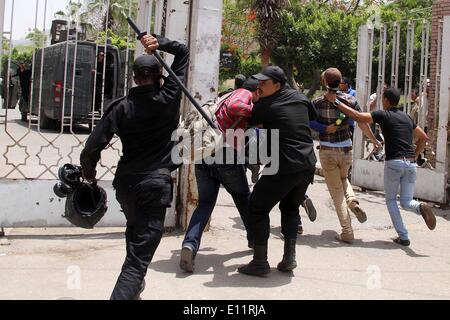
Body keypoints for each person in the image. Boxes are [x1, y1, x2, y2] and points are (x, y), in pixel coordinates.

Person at [80, 34, 189, 299]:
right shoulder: (170, 96)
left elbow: (91, 148)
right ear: (159, 75)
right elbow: (183, 52)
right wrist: (159, 43)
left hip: (127, 186)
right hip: (154, 186)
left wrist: (90, 176)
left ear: (134, 77)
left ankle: (135, 291)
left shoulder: (121, 108)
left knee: (135, 235)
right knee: (138, 259)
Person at [237, 66, 317, 276]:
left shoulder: (265, 105)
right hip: (307, 163)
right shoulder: (300, 98)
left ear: (278, 85)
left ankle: (260, 262)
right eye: (258, 83)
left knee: (257, 207)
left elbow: (249, 121)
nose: (259, 86)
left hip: (284, 164)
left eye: (264, 83)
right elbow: (311, 113)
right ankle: (289, 258)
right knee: (290, 209)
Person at [331, 87, 436, 246]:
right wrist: (415, 154)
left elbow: (358, 116)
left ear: (386, 100)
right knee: (407, 202)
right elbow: (424, 137)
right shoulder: (407, 117)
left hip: (394, 163)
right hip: (410, 164)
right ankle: (420, 207)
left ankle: (404, 236)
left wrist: (336, 101)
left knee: (391, 200)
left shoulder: (383, 114)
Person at [179, 78, 259, 273]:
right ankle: (256, 241)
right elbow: (236, 106)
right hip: (225, 153)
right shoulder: (243, 94)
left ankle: (189, 245)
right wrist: (259, 111)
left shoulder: (222, 97)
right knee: (243, 197)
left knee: (205, 204)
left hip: (205, 154)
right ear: (255, 90)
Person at [310, 68, 380, 244]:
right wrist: (373, 140)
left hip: (327, 150)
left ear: (325, 82)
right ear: (340, 81)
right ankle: (353, 202)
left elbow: (310, 123)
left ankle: (347, 231)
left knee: (336, 193)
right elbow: (361, 122)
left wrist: (324, 128)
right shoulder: (349, 100)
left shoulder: (317, 102)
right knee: (343, 179)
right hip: (346, 149)